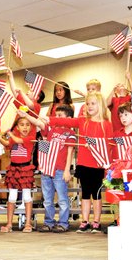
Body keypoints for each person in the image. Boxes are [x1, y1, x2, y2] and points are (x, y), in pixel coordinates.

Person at [47, 92, 112, 233]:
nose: (89, 106)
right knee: (85, 194)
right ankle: (85, 221)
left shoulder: (106, 125)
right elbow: (65, 121)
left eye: (93, 103)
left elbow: (110, 145)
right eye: (87, 103)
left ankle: (96, 221)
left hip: (98, 164)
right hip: (83, 163)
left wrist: (106, 163)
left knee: (97, 194)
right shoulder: (83, 121)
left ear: (100, 105)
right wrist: (48, 120)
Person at [18, 104, 76, 233]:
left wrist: (67, 170)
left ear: (69, 118)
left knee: (62, 199)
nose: (57, 118)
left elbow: (70, 152)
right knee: (47, 199)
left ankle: (63, 222)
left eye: (60, 116)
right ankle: (49, 222)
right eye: (56, 115)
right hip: (47, 170)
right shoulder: (51, 129)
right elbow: (39, 122)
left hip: (60, 170)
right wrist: (27, 115)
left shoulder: (70, 133)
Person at [0, 117, 36, 233]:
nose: (25, 127)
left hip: (25, 169)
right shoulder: (14, 138)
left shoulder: (30, 138)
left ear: (31, 127)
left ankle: (28, 223)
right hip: (14, 169)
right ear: (17, 127)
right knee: (11, 197)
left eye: (27, 125)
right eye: (22, 125)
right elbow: (8, 144)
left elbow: (18, 141)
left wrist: (10, 133)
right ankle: (9, 223)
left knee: (27, 197)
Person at [108, 102, 132, 226]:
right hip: (117, 170)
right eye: (120, 115)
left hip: (131, 171)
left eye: (126, 114)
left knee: (130, 195)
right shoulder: (117, 133)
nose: (123, 118)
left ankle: (130, 220)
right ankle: (117, 220)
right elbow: (109, 148)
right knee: (117, 196)